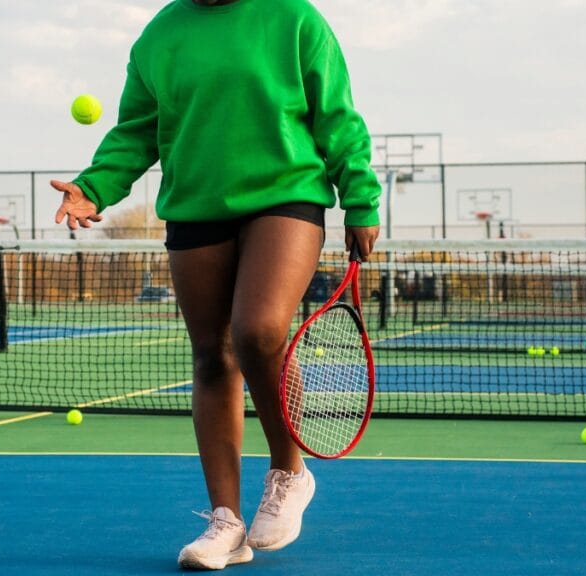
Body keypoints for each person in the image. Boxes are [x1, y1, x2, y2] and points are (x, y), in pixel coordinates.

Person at [49, 0, 381, 570]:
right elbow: (138, 131)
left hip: (287, 195)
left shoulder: (293, 19)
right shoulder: (160, 34)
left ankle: (288, 472)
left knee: (258, 330)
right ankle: (226, 523)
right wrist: (95, 186)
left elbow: (337, 115)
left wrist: (360, 196)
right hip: (196, 206)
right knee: (211, 357)